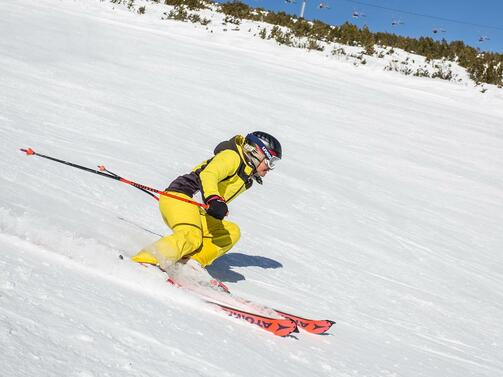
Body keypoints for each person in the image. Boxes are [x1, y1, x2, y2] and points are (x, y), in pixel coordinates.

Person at [131, 131, 282, 274]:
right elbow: (209, 174)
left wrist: (217, 206)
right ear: (255, 152)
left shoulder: (246, 176)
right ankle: (146, 262)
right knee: (191, 236)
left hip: (197, 209)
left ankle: (189, 263)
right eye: (271, 162)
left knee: (230, 232)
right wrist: (214, 199)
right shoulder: (232, 157)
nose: (270, 168)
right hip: (181, 196)